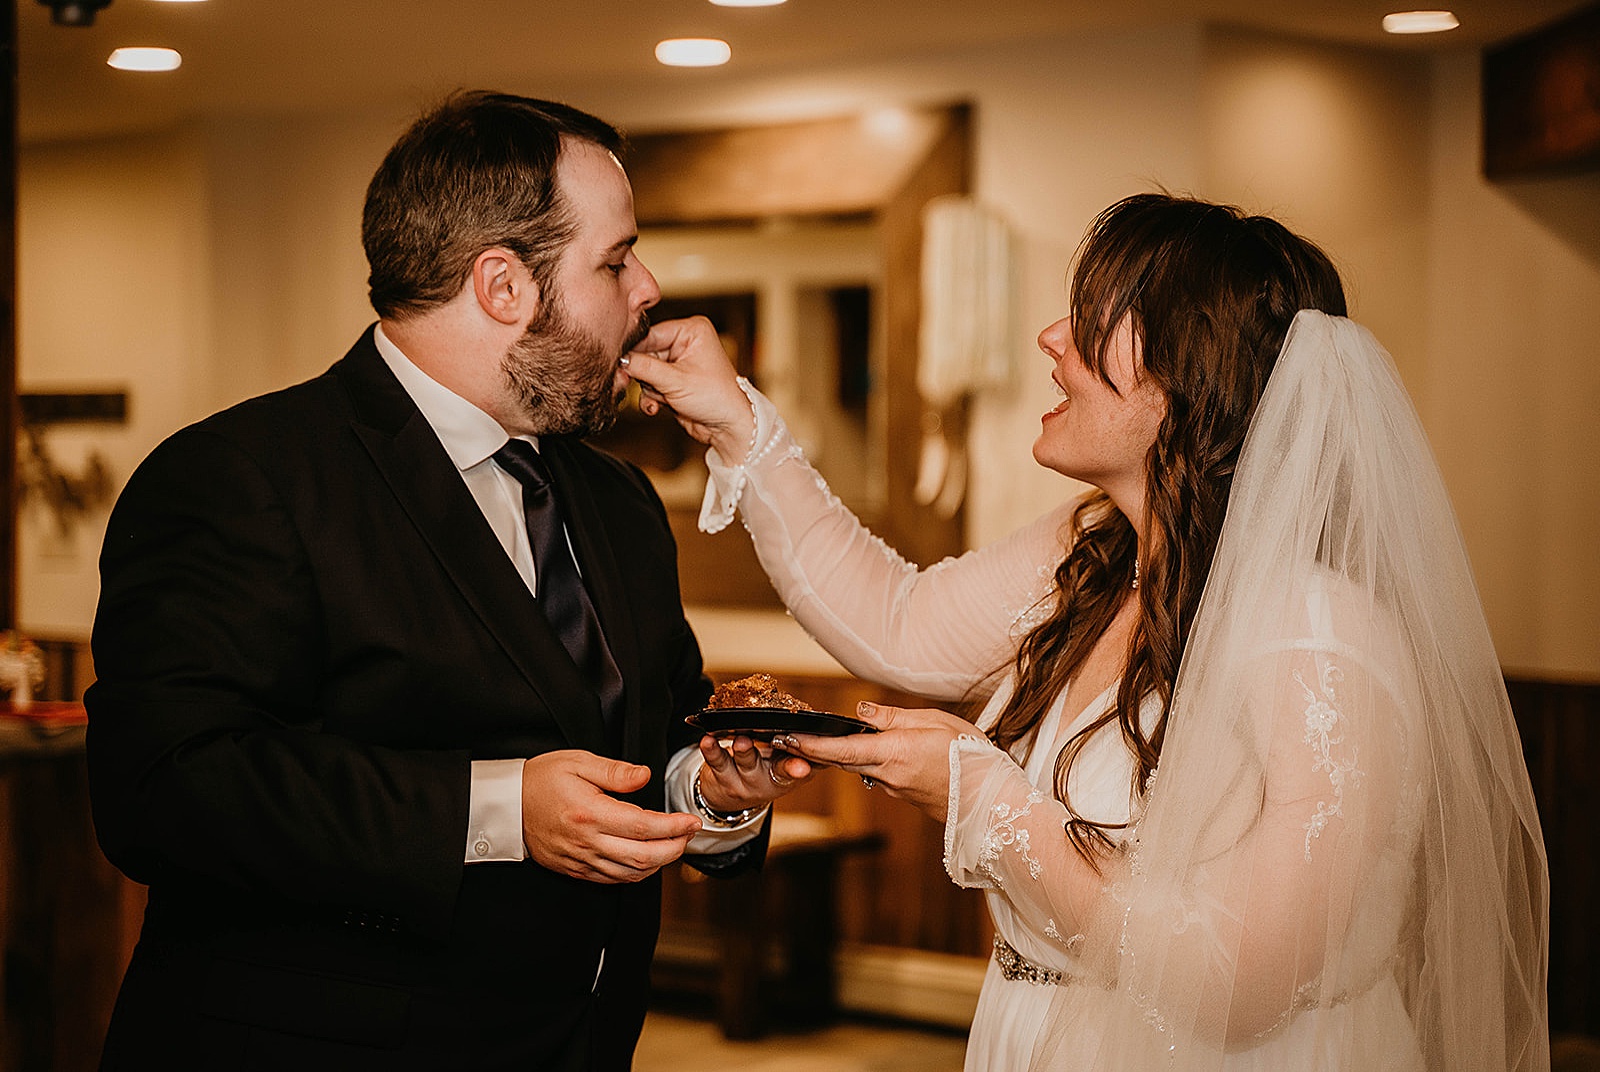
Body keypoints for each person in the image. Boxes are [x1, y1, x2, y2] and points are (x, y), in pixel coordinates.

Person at [623, 193, 1550, 1070]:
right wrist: (735, 421)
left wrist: (983, 796)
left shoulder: (1319, 635)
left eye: (1095, 316)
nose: (1051, 338)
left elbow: (1245, 986)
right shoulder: (1096, 557)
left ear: (1190, 371)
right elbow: (899, 625)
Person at [85, 90, 807, 1072]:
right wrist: (502, 810)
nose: (646, 287)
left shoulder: (618, 499)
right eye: (615, 258)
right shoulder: (243, 476)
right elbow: (166, 789)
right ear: (503, 285)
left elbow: (653, 738)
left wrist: (715, 786)